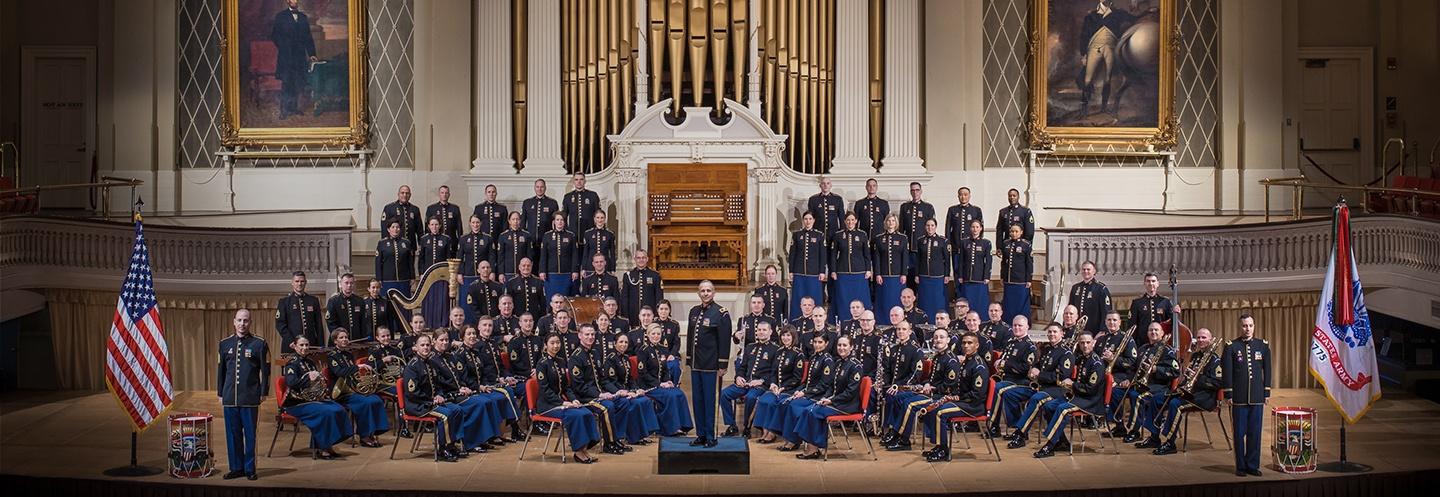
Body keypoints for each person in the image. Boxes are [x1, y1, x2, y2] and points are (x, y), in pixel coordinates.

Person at [1030, 331, 1106, 458]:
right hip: (1078, 396)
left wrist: (1072, 385)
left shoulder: (1096, 363)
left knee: (1062, 409)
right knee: (1049, 406)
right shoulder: (1082, 358)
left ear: (1093, 343)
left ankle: (1050, 445)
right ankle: (1061, 441)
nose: (1085, 345)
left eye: (1088, 342)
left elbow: (1090, 389)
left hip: (1090, 401)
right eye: (1082, 343)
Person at [917, 329, 988, 462]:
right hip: (964, 402)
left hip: (973, 406)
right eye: (964, 343)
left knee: (940, 412)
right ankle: (939, 446)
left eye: (970, 343)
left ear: (977, 345)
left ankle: (944, 450)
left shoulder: (979, 366)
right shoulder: (966, 361)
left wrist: (957, 397)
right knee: (933, 408)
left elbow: (977, 394)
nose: (966, 346)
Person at [789, 335, 864, 459]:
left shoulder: (856, 366)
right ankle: (813, 447)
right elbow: (831, 386)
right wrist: (824, 398)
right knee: (810, 409)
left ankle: (813, 448)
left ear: (851, 347)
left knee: (812, 411)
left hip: (847, 405)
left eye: (845, 345)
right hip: (835, 401)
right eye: (839, 345)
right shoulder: (839, 362)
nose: (841, 348)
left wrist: (831, 400)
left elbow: (850, 392)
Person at [1002, 323, 1075, 449]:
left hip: (1056, 390)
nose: (1051, 334)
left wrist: (1040, 375)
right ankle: (1016, 425)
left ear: (1062, 333)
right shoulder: (1047, 349)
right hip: (1040, 387)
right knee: (1009, 393)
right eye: (1050, 332)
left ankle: (1020, 434)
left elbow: (1062, 377)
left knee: (1037, 399)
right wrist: (1033, 369)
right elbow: (1037, 364)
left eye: (1055, 332)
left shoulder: (1066, 353)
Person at [1151, 327, 1223, 456]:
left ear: (1211, 340)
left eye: (1204, 337)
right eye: (1199, 337)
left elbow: (1217, 383)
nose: (1200, 340)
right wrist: (1184, 381)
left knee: (1175, 404)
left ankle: (1170, 443)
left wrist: (1197, 377)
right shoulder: (1195, 356)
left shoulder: (1215, 360)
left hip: (1204, 398)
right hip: (1191, 394)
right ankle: (1154, 437)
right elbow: (1188, 379)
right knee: (1157, 398)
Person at [279, 336, 353, 460]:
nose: (304, 348)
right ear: (295, 346)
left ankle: (328, 444)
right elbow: (291, 383)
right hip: (296, 403)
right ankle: (322, 448)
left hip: (310, 399)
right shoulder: (291, 363)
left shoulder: (310, 362)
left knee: (338, 408)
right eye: (301, 345)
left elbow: (317, 381)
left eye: (307, 345)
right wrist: (308, 378)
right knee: (325, 413)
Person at [533, 333, 602, 463]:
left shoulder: (560, 361)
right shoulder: (542, 364)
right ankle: (578, 451)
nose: (555, 346)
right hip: (548, 405)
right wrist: (563, 402)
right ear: (546, 345)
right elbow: (545, 390)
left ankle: (584, 448)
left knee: (586, 412)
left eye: (557, 343)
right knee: (575, 415)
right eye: (552, 343)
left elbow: (566, 387)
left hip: (562, 403)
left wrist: (573, 399)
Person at [218, 309, 267, 480]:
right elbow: (221, 372)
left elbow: (265, 371)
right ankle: (236, 467)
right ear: (234, 321)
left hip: (250, 397)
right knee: (232, 434)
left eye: (245, 320)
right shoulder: (224, 344)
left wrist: (263, 392)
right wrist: (220, 393)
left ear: (250, 322)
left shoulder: (259, 343)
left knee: (250, 435)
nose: (242, 324)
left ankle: (249, 469)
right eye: (239, 320)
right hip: (230, 396)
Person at [401, 334, 466, 461]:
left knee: (457, 410)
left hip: (432, 402)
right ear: (416, 347)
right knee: (446, 415)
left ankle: (452, 444)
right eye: (422, 345)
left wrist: (439, 395)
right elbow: (412, 393)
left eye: (428, 345)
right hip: (418, 405)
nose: (426, 347)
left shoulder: (431, 363)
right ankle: (443, 449)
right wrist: (432, 400)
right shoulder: (412, 366)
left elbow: (438, 385)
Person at [567, 324, 631, 455]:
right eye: (587, 334)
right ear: (580, 336)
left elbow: (603, 379)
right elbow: (579, 386)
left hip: (600, 394)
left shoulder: (595, 353)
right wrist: (599, 395)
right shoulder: (576, 357)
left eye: (592, 334)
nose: (590, 337)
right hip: (585, 397)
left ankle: (617, 438)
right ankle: (609, 443)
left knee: (623, 402)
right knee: (607, 407)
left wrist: (615, 392)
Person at [1223, 314, 1271, 477]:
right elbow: (1227, 372)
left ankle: (1252, 465)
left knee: (1255, 433)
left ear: (1254, 326)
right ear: (1240, 327)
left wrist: (1266, 392)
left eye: (1250, 325)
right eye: (1244, 326)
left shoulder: (1263, 345)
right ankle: (1241, 466)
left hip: (1257, 396)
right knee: (1239, 433)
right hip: (1239, 397)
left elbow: (1268, 370)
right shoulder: (1231, 346)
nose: (1247, 329)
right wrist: (1228, 393)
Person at [325, 329, 390, 447]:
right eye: (341, 338)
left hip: (353, 389)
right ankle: (364, 436)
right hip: (341, 393)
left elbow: (354, 375)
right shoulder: (331, 356)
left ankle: (373, 432)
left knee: (376, 399)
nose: (345, 339)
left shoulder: (348, 354)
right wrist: (358, 366)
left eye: (346, 337)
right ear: (335, 341)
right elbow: (340, 372)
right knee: (365, 402)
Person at [773, 333, 837, 453]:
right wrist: (799, 390)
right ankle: (790, 438)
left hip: (818, 395)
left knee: (793, 406)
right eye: (815, 342)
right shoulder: (813, 357)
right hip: (809, 393)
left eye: (820, 342)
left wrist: (805, 393)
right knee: (786, 403)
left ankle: (794, 441)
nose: (817, 345)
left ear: (826, 343)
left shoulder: (827, 360)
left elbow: (824, 386)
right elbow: (807, 381)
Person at [687, 280, 732, 447]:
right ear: (699, 293)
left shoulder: (721, 313)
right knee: (698, 401)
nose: (705, 293)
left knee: (710, 401)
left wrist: (723, 365)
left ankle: (711, 435)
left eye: (708, 290)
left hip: (711, 365)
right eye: (702, 290)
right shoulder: (694, 311)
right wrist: (690, 360)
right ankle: (701, 434)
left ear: (714, 292)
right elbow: (691, 338)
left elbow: (725, 340)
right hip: (696, 365)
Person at [1125, 322, 1180, 446]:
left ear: (1162, 333)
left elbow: (1175, 372)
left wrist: (1156, 369)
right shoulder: (1142, 349)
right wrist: (1128, 379)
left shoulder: (1167, 350)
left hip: (1160, 387)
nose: (1153, 332)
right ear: (1147, 333)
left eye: (1156, 330)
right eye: (1151, 330)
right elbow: (1133, 368)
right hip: (1143, 385)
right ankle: (1128, 428)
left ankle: (1135, 431)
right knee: (1129, 393)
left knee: (1137, 396)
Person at [721, 320, 779, 437]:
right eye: (759, 330)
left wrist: (761, 381)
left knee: (751, 397)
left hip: (761, 385)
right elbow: (742, 367)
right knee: (724, 394)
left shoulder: (775, 349)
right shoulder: (749, 347)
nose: (761, 332)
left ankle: (747, 427)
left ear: (770, 332)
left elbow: (775, 372)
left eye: (764, 330)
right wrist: (738, 377)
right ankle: (732, 426)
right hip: (745, 384)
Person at [602, 334, 661, 444]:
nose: (623, 344)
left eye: (625, 342)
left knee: (645, 400)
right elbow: (610, 381)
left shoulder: (625, 358)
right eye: (621, 342)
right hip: (615, 392)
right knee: (636, 403)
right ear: (615, 343)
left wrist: (636, 389)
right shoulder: (610, 358)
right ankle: (633, 437)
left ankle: (644, 433)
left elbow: (630, 379)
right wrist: (626, 392)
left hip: (627, 391)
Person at [1078, 0, 1136, 113]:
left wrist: (1148, 12)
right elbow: (1083, 36)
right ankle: (1083, 109)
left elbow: (1134, 19)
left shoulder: (1118, 13)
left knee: (1107, 79)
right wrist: (1083, 55)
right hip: (1094, 48)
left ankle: (1103, 108)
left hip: (1110, 48)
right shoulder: (1091, 16)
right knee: (1087, 79)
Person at [637, 324, 694, 436]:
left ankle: (683, 425)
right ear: (648, 335)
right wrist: (659, 384)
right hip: (649, 386)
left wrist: (668, 381)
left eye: (658, 334)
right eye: (653, 334)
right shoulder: (643, 350)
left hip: (662, 385)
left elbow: (665, 370)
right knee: (671, 396)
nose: (656, 336)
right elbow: (642, 373)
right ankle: (671, 428)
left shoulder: (663, 349)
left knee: (679, 393)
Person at [877, 320, 926, 451]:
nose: (901, 332)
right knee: (885, 392)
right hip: (894, 387)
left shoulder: (916, 350)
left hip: (911, 388)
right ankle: (889, 430)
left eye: (904, 329)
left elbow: (915, 375)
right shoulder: (894, 349)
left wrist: (898, 386)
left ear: (910, 332)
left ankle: (895, 431)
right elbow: (887, 370)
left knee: (895, 396)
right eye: (898, 329)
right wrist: (885, 384)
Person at [752, 326, 805, 444]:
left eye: (788, 335)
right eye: (783, 335)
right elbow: (773, 372)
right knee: (764, 400)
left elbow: (797, 378)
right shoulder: (779, 351)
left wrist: (783, 388)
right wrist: (773, 384)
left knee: (773, 402)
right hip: (776, 388)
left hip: (789, 389)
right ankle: (765, 431)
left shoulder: (798, 354)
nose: (785, 338)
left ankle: (772, 432)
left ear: (793, 337)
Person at [987, 315, 1038, 437]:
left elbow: (1025, 369)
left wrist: (1006, 364)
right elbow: (1004, 360)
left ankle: (993, 426)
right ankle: (1015, 426)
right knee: (992, 385)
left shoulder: (1030, 347)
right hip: (1007, 379)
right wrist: (998, 362)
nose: (1017, 328)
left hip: (1021, 381)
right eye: (1014, 325)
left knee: (998, 388)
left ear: (1027, 327)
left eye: (1020, 325)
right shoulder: (1011, 342)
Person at [270, 0, 316, 120]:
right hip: (286, 57)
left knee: (297, 83)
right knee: (286, 83)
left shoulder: (303, 17)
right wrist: (284, 46)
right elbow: (275, 35)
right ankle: (284, 110)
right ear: (287, 1)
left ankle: (294, 108)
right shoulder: (280, 16)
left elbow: (308, 37)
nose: (294, 1)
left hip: (299, 57)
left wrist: (312, 54)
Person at [1096, 311, 1138, 436]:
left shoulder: (1127, 339)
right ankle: (1095, 417)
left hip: (1121, 376)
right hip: (1103, 375)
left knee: (1112, 390)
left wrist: (1114, 358)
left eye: (1114, 320)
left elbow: (1132, 362)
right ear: (1105, 322)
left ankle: (1118, 424)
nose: (1112, 322)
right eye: (1109, 320)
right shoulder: (1101, 339)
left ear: (1120, 322)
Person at [830, 211, 873, 323]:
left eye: (852, 220)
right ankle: (844, 321)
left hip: (859, 273)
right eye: (848, 220)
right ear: (844, 221)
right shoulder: (838, 235)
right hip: (842, 272)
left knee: (860, 298)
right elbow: (833, 255)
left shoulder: (862, 234)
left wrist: (868, 269)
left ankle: (863, 320)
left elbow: (867, 254)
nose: (850, 222)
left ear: (856, 221)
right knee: (843, 299)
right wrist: (833, 271)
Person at [788, 212, 829, 318]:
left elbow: (823, 255)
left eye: (810, 219)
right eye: (806, 219)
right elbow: (792, 254)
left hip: (814, 273)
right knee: (798, 298)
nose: (808, 221)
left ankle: (816, 319)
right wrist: (791, 271)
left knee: (814, 298)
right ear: (803, 220)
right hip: (799, 272)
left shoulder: (819, 235)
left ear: (814, 220)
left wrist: (822, 271)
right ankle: (796, 320)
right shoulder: (797, 235)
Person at [872, 213, 911, 316]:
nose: (891, 223)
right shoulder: (879, 238)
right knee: (883, 300)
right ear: (886, 222)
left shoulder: (902, 238)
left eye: (893, 221)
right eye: (889, 221)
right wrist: (878, 274)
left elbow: (905, 257)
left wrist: (904, 274)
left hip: (898, 276)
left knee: (897, 299)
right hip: (883, 276)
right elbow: (877, 257)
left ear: (896, 223)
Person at [914, 218, 951, 324]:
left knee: (937, 300)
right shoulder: (920, 240)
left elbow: (947, 259)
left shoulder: (943, 241)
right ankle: (924, 321)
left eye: (932, 225)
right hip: (924, 276)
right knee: (924, 300)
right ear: (925, 227)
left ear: (935, 226)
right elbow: (918, 259)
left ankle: (939, 321)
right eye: (928, 225)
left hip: (938, 276)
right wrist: (917, 274)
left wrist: (947, 274)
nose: (930, 228)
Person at [538, 213, 580, 303]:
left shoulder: (571, 235)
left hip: (567, 273)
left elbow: (574, 255)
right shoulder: (547, 236)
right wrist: (542, 271)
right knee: (552, 299)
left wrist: (575, 270)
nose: (560, 222)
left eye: (562, 220)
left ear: (565, 222)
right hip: (551, 274)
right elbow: (543, 255)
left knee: (566, 300)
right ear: (554, 221)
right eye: (557, 220)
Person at [276, 271, 324, 350]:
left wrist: (321, 345)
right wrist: (291, 341)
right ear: (292, 283)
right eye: (297, 281)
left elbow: (318, 325)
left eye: (302, 281)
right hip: (292, 345)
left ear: (306, 282)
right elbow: (280, 324)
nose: (299, 284)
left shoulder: (313, 300)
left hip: (310, 345)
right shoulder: (284, 302)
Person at [955, 220, 992, 315]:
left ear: (981, 228)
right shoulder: (964, 242)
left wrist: (987, 276)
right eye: (973, 227)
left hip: (980, 278)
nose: (975, 229)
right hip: (967, 277)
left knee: (980, 302)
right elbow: (961, 261)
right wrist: (960, 275)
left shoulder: (986, 243)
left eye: (977, 227)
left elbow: (988, 261)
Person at [1131, 272, 1179, 345]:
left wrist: (1175, 313)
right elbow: (1132, 326)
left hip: (1162, 343)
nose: (1151, 283)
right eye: (1148, 281)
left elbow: (1173, 323)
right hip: (1142, 344)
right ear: (1144, 284)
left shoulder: (1165, 302)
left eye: (1153, 281)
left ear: (1158, 284)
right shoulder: (1137, 303)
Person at [999, 224, 1033, 325]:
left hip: (1021, 280)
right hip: (1009, 279)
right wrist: (1002, 276)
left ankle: (1023, 323)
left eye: (1016, 231)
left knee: (1021, 304)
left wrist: (1029, 279)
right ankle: (1008, 322)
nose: (1014, 233)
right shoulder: (1005, 243)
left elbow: (1029, 263)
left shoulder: (1026, 245)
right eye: (1012, 231)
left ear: (1021, 232)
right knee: (1009, 303)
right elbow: (1004, 262)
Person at [620, 249, 665, 324]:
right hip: (633, 315)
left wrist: (657, 315)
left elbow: (659, 297)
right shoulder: (628, 276)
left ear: (647, 259)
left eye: (643, 258)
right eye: (638, 258)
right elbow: (624, 298)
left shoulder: (655, 275)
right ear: (635, 259)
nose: (641, 260)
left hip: (650, 316)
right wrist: (625, 316)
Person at [1068, 261, 1112, 333]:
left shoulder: (1101, 288)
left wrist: (1103, 330)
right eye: (1083, 269)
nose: (1085, 271)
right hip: (1076, 330)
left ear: (1094, 271)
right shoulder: (1075, 288)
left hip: (1094, 330)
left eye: (1088, 269)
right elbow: (1071, 309)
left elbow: (1106, 311)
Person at [376, 219, 416, 295]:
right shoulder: (382, 243)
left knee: (404, 302)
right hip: (387, 279)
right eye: (393, 227)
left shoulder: (406, 242)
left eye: (397, 227)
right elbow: (378, 262)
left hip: (404, 279)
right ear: (388, 229)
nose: (395, 229)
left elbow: (410, 262)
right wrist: (379, 278)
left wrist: (412, 276)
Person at [458, 215, 496, 286]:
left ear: (481, 223)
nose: (475, 225)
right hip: (468, 273)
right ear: (470, 223)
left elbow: (492, 257)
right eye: (473, 222)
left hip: (484, 274)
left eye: (477, 222)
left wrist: (492, 271)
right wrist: (460, 273)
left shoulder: (487, 238)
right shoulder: (464, 239)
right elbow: (460, 257)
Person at [496, 211, 534, 283]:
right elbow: (500, 257)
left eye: (517, 219)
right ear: (509, 221)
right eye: (513, 219)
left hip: (523, 272)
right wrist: (501, 273)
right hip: (508, 272)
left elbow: (530, 255)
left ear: (520, 220)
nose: (515, 221)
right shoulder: (503, 236)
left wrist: (528, 269)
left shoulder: (527, 235)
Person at [945, 187, 983, 257]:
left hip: (971, 245)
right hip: (956, 245)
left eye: (965, 195)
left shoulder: (976, 210)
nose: (963, 197)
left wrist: (979, 242)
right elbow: (948, 227)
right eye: (961, 195)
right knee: (956, 266)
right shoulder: (952, 209)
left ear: (969, 196)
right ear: (958, 196)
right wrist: (948, 242)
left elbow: (980, 228)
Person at [325, 273, 364, 339]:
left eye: (351, 283)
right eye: (346, 283)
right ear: (341, 284)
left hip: (356, 339)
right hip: (339, 340)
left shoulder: (359, 301)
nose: (349, 285)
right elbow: (331, 322)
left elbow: (363, 322)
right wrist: (339, 337)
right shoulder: (334, 301)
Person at [808, 176, 845, 240]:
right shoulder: (813, 199)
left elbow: (841, 217)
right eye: (823, 183)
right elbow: (811, 217)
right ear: (820, 185)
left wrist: (842, 232)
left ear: (831, 185)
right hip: (818, 232)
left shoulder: (837, 199)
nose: (825, 185)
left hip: (833, 232)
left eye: (828, 183)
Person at [580, 210, 616, 275]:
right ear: (594, 219)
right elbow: (585, 252)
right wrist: (583, 268)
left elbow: (612, 253)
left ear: (605, 219)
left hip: (605, 267)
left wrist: (613, 268)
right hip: (590, 267)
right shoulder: (588, 233)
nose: (600, 220)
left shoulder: (610, 234)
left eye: (602, 218)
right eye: (598, 217)